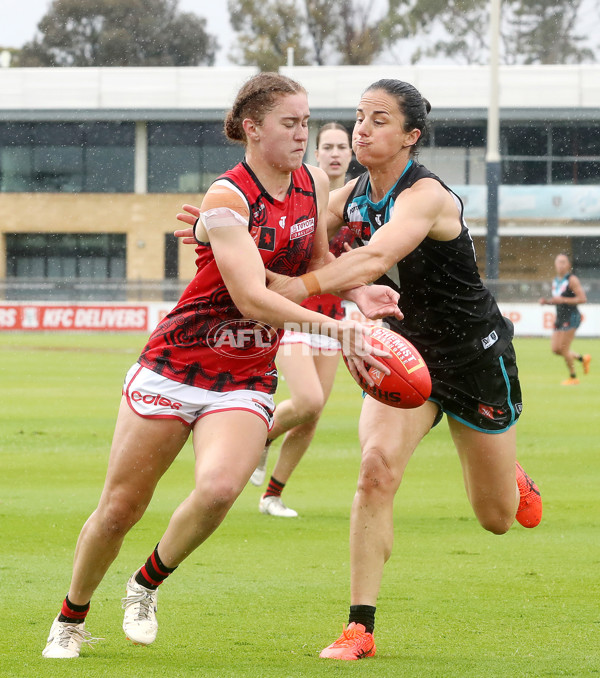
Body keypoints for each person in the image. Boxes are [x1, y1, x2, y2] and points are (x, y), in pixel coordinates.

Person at [41, 72, 399, 659]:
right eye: (290, 124)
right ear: (253, 129)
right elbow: (252, 296)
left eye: (307, 122)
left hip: (247, 371)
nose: (302, 135)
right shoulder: (226, 196)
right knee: (121, 507)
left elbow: (319, 259)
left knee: (221, 487)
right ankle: (71, 616)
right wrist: (338, 327)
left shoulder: (309, 183)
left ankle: (145, 584)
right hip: (176, 363)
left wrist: (357, 292)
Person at [262, 79, 543, 660]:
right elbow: (297, 235)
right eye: (360, 117)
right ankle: (359, 628)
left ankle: (509, 472)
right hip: (405, 353)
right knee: (374, 470)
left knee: (497, 519)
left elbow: (373, 256)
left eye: (379, 120)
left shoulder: (428, 197)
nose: (362, 129)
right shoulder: (349, 196)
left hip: (475, 357)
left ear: (411, 136)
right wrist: (216, 228)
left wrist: (297, 287)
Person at [250, 122, 355, 518]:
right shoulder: (302, 195)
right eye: (326, 146)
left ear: (350, 153)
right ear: (316, 152)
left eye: (340, 147)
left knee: (312, 415)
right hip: (295, 316)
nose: (333, 153)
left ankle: (271, 495)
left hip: (333, 317)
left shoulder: (361, 201)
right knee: (307, 399)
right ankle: (258, 437)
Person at [539, 252, 590, 385]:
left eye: (563, 262)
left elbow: (583, 299)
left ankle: (573, 377)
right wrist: (547, 302)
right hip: (560, 317)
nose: (560, 265)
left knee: (564, 349)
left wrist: (563, 299)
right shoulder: (555, 280)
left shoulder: (572, 280)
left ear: (569, 265)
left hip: (571, 317)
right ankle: (582, 358)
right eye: (558, 262)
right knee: (556, 349)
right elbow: (558, 300)